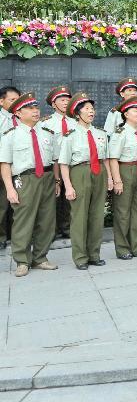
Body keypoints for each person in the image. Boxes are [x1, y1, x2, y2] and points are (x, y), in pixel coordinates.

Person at [0, 93, 58, 277]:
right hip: (24, 180)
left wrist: (56, 181)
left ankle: (40, 258)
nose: (35, 111)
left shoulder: (47, 132)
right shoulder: (10, 135)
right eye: (30, 108)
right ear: (18, 113)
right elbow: (5, 164)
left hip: (47, 178)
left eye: (36, 108)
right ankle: (22, 261)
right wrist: (10, 188)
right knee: (23, 221)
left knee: (46, 220)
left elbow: (54, 160)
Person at [58, 92, 111, 270]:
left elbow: (105, 159)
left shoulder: (100, 133)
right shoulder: (70, 135)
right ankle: (80, 257)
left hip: (99, 172)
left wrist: (110, 178)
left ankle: (94, 254)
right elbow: (64, 163)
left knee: (97, 215)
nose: (91, 111)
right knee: (80, 217)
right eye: (87, 108)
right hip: (80, 172)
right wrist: (68, 186)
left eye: (92, 108)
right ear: (77, 112)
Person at [108, 96, 137, 260]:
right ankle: (122, 248)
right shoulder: (120, 133)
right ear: (126, 114)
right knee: (123, 212)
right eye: (136, 110)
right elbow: (113, 158)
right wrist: (117, 180)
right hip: (125, 171)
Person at [41, 85, 72, 239]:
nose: (66, 102)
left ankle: (67, 228)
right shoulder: (45, 123)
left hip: (72, 164)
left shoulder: (75, 121)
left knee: (70, 197)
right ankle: (51, 231)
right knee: (52, 197)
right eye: (62, 100)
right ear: (54, 104)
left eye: (68, 99)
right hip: (54, 164)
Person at [0, 85, 21, 250]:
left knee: (20, 202)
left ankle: (20, 236)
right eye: (12, 100)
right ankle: (1, 237)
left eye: (18, 100)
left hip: (20, 167)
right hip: (3, 165)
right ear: (1, 101)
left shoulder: (22, 118)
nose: (16, 103)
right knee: (2, 204)